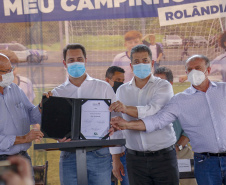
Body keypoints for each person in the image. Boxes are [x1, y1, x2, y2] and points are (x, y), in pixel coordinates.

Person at [111, 54, 226, 185]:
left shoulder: (224, 90)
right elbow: (157, 121)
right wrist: (127, 125)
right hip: (206, 163)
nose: (194, 72)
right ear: (186, 73)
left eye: (198, 68)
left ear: (208, 70)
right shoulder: (180, 100)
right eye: (190, 69)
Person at [44, 43, 116, 185]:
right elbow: (53, 126)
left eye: (79, 59)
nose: (76, 63)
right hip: (69, 154)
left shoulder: (103, 87)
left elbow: (116, 118)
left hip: (99, 154)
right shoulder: (56, 94)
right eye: (71, 60)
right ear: (64, 63)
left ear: (86, 61)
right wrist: (58, 137)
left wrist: (114, 125)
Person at [109, 44, 179, 185]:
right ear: (131, 66)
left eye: (145, 61)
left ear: (152, 63)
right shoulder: (122, 91)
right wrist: (115, 158)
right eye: (136, 61)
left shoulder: (163, 86)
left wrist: (126, 108)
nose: (141, 64)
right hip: (135, 159)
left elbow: (153, 110)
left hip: (163, 157)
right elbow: (116, 125)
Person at [154, 67, 197, 185]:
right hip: (155, 155)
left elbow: (189, 130)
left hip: (180, 152)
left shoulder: (183, 102)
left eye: (162, 82)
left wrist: (178, 147)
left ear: (171, 83)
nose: (158, 86)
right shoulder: (148, 105)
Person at [0, 53, 43, 166]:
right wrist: (23, 138)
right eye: (6, 71)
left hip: (23, 157)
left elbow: (31, 116)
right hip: (2, 161)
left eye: (11, 69)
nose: (10, 74)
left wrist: (42, 106)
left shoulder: (14, 89)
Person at [105, 66, 129, 185]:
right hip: (106, 154)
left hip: (125, 151)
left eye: (122, 80)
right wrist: (115, 153)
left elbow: (124, 125)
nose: (120, 83)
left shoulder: (126, 97)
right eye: (117, 80)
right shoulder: (101, 99)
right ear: (107, 80)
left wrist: (120, 149)